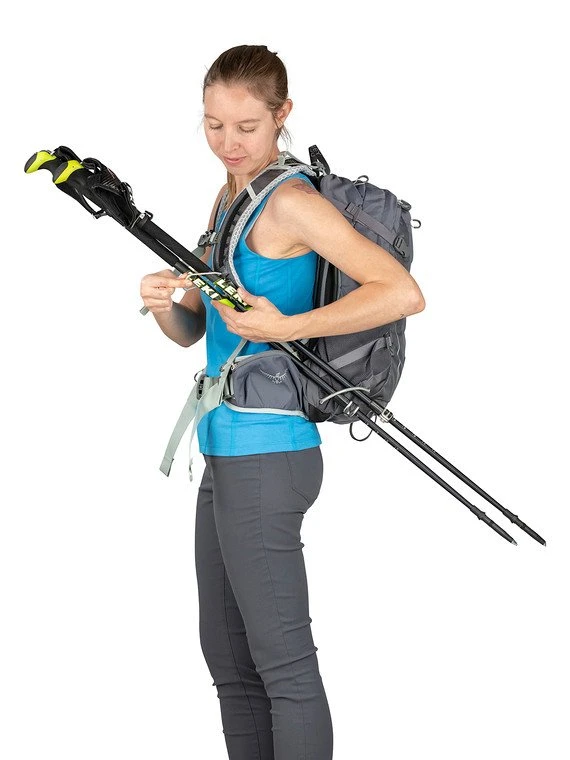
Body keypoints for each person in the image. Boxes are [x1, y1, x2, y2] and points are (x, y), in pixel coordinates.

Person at [140, 44, 425, 760]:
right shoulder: (229, 197)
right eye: (213, 125)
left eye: (246, 126)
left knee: (284, 669)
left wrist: (288, 327)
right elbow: (199, 335)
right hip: (224, 448)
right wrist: (167, 304)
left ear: (281, 114)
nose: (228, 143)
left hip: (271, 453)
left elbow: (401, 293)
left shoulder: (292, 203)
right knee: (228, 661)